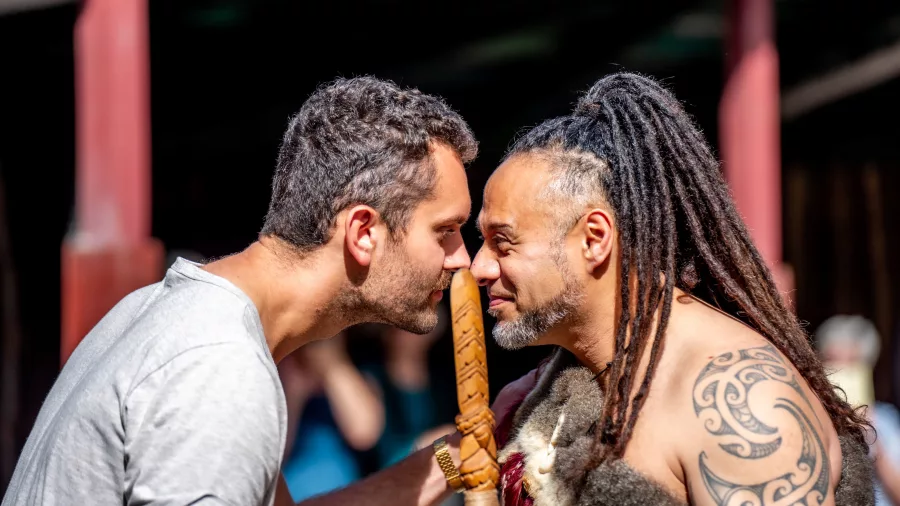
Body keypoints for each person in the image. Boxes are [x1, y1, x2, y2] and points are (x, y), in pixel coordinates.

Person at [2, 76, 477, 506]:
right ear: (363, 232)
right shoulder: (220, 369)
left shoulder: (178, 317)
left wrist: (447, 464)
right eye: (445, 231)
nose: (463, 259)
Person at [468, 72, 875, 505]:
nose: (478, 267)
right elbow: (471, 474)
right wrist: (457, 457)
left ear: (594, 239)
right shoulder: (560, 383)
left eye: (503, 242)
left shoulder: (744, 404)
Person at [279, 332, 384, 501]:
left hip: (343, 496)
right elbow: (274, 456)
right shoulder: (282, 379)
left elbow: (364, 433)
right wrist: (294, 394)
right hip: (291, 495)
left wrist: (332, 367)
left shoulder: (361, 377)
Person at [816, 315, 900, 505]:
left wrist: (871, 438)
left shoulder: (885, 420)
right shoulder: (813, 417)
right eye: (833, 360)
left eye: (852, 362)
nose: (842, 369)